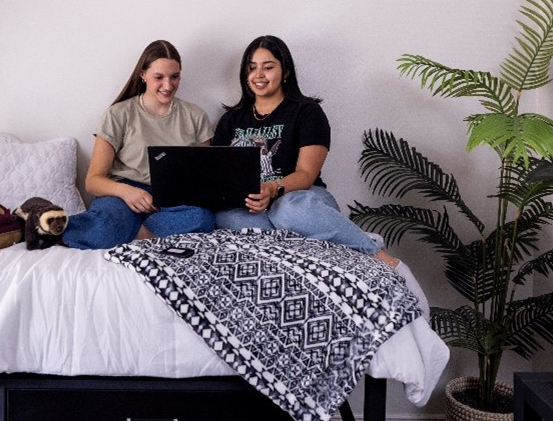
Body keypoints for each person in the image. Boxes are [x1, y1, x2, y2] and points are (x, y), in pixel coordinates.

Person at [212, 35, 399, 267]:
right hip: (252, 207)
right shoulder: (231, 120)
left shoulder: (307, 112)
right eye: (252, 68)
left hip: (301, 198)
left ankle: (377, 255)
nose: (258, 75)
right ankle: (306, 246)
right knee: (225, 217)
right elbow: (219, 175)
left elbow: (306, 175)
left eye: (268, 67)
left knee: (287, 211)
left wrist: (271, 189)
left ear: (286, 72)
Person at [61, 39, 216, 249]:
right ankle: (48, 226)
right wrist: (127, 192)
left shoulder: (195, 116)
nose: (168, 86)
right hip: (124, 195)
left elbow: (202, 178)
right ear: (143, 74)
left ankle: (135, 232)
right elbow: (93, 181)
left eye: (175, 77)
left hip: (172, 200)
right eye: (158, 77)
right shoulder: (118, 114)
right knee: (103, 227)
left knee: (203, 218)